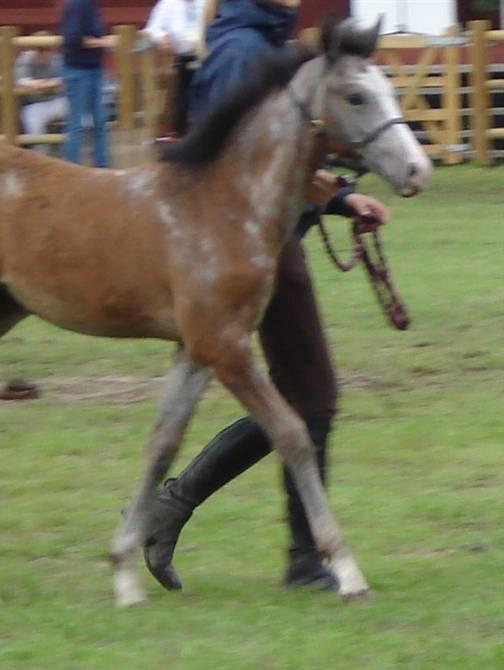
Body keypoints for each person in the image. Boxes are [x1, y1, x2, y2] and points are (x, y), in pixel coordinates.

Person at [142, 0, 391, 593]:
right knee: (309, 395)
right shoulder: (242, 51)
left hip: (269, 237)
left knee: (299, 394)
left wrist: (336, 199)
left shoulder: (262, 41)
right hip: (252, 248)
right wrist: (328, 199)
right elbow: (235, 160)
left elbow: (280, 154)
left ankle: (173, 510)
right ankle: (299, 559)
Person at [59, 0, 115, 167]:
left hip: (93, 70)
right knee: (76, 124)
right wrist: (104, 42)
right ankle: (70, 167)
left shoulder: (90, 4)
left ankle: (102, 166)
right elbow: (74, 38)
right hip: (79, 71)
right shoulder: (79, 4)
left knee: (99, 122)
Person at [144, 0, 207, 137]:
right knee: (182, 99)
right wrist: (161, 38)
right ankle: (182, 133)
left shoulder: (207, 2)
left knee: (206, 96)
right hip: (183, 57)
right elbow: (153, 28)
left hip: (206, 56)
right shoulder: (168, 4)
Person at [15, 32, 68, 154]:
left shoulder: (57, 58)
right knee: (33, 124)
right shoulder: (25, 59)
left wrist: (43, 84)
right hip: (34, 104)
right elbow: (21, 81)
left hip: (57, 100)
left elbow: (65, 79)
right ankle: (42, 157)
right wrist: (41, 84)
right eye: (38, 49)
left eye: (46, 49)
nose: (42, 52)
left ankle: (72, 153)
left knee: (79, 114)